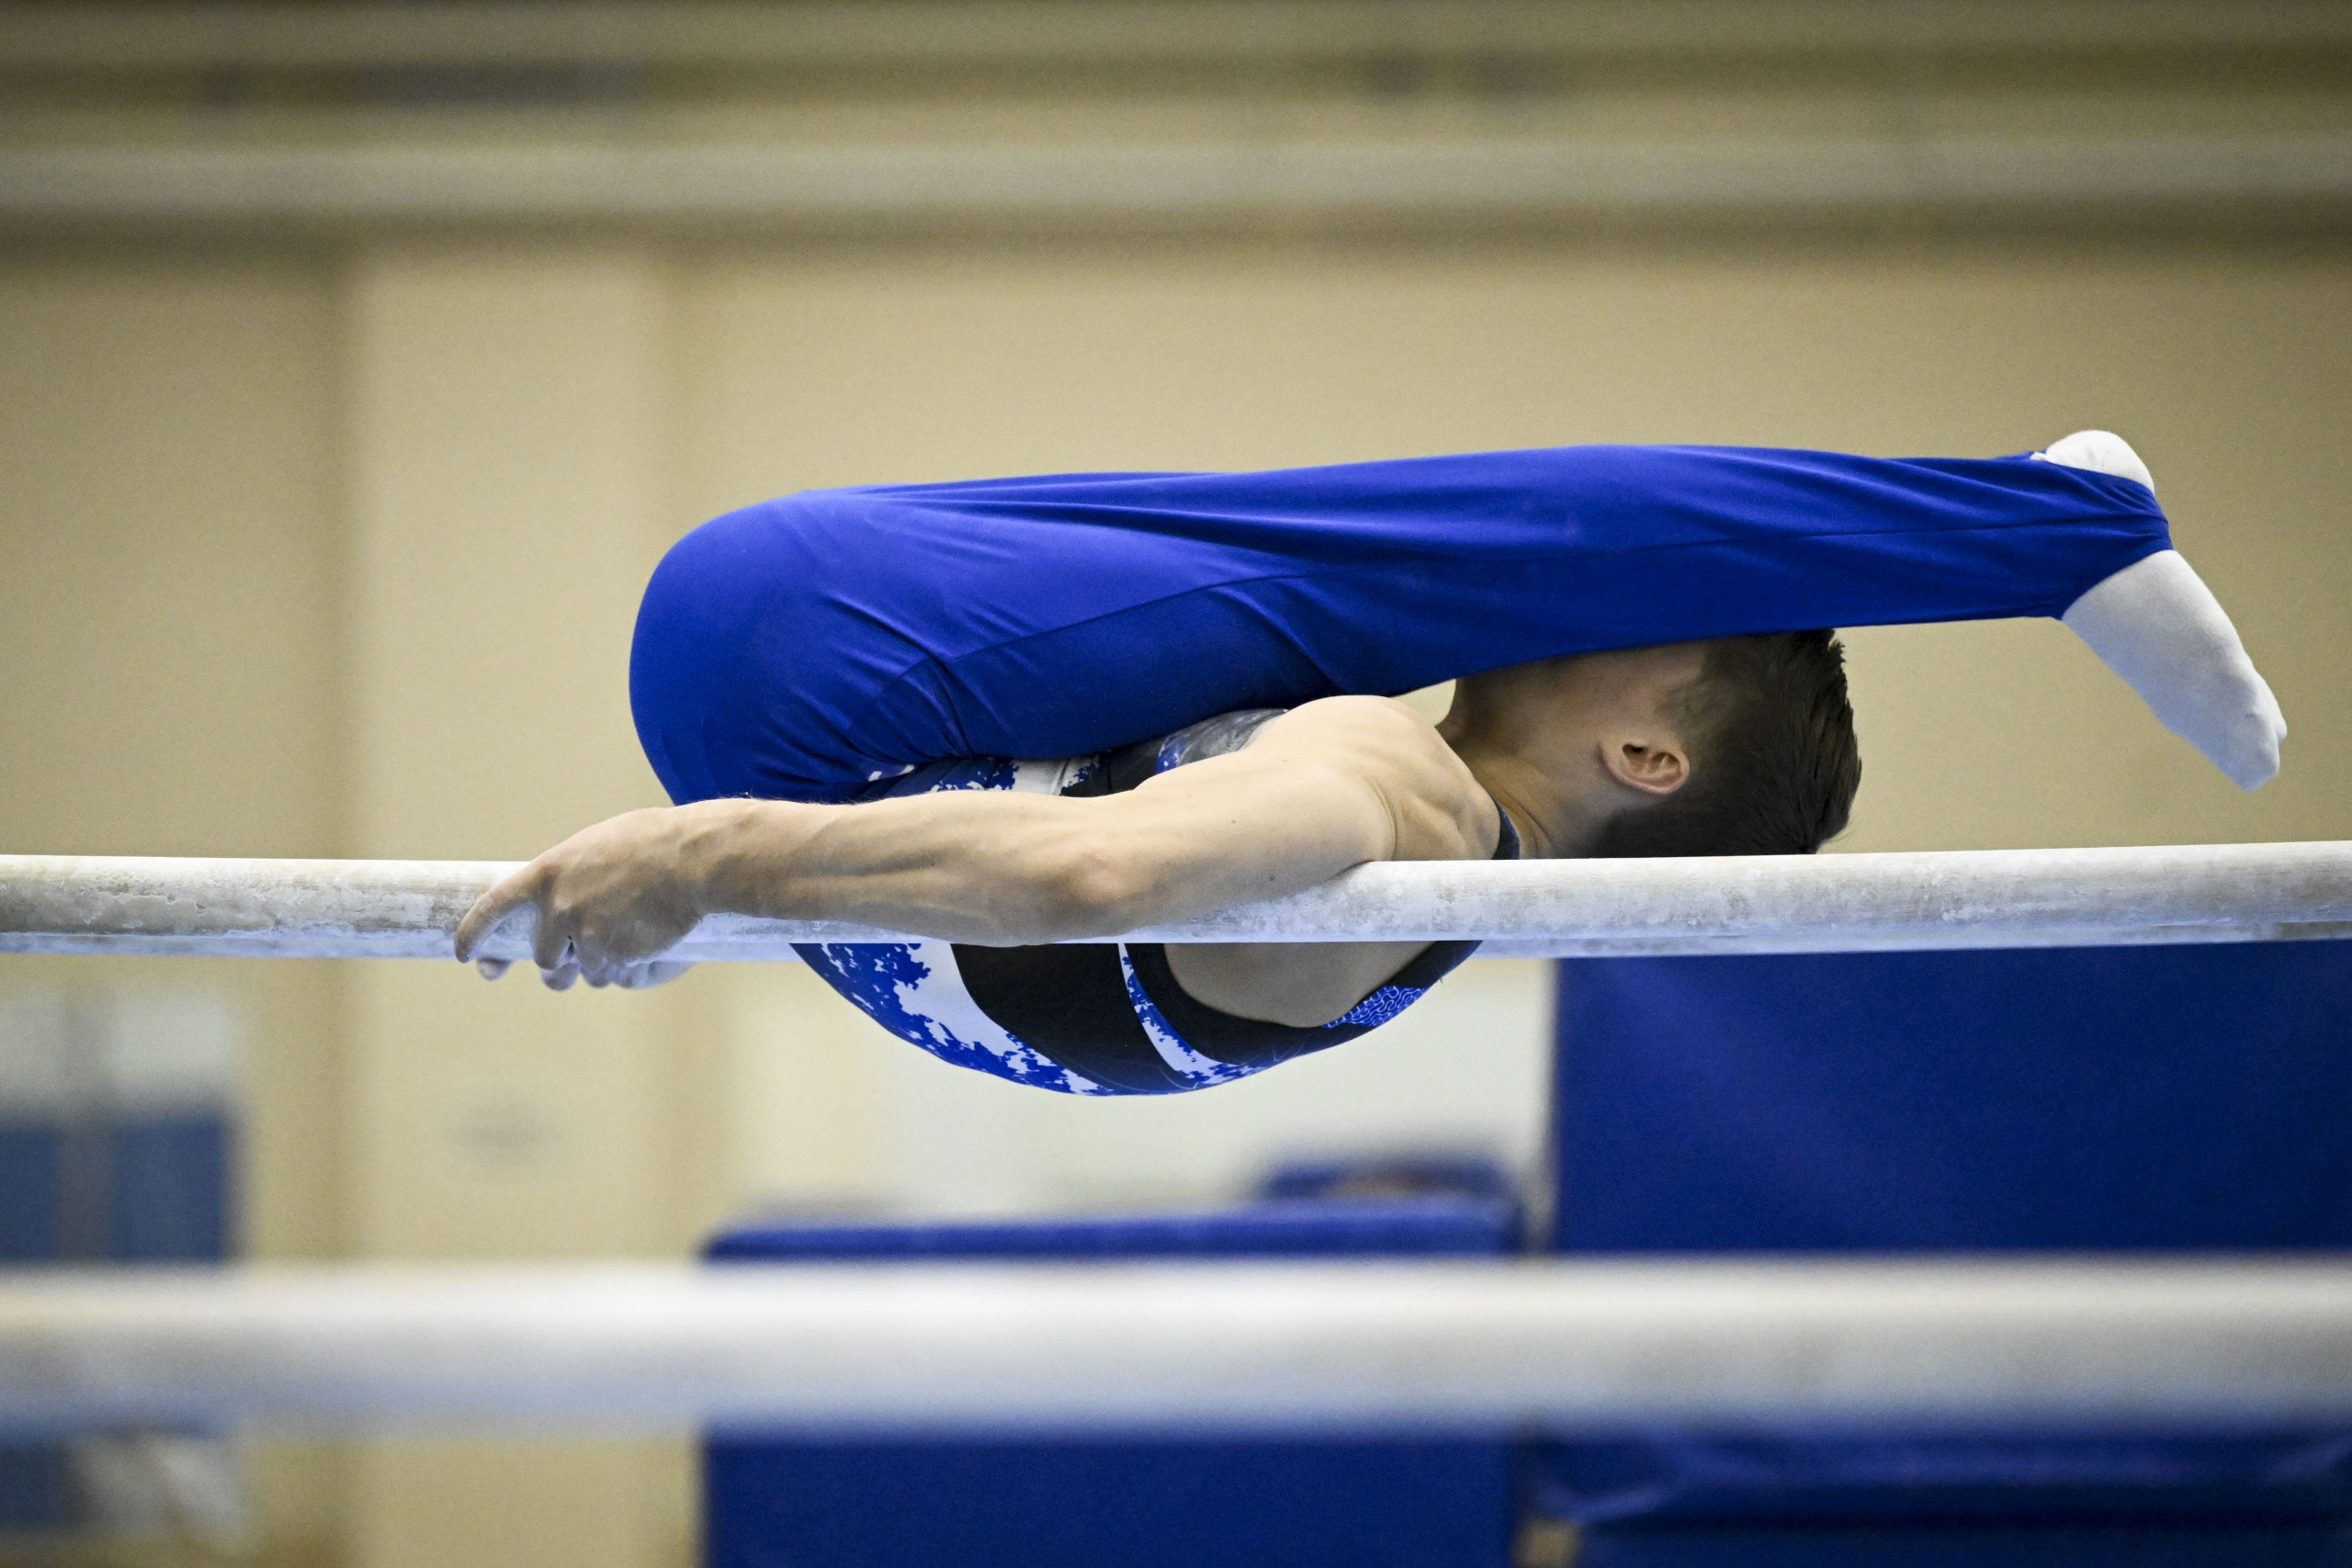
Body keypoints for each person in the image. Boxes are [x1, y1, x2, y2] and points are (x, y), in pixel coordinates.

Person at [455, 431, 2284, 1096]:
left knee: (1412, 557)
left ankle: (2054, 530)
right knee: (1365, 583)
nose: (1610, 603)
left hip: (805, 684)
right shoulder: (1425, 883)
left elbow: (1091, 875)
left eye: (1656, 618)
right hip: (837, 748)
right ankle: (2045, 533)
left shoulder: (1402, 788)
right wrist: (753, 882)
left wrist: (703, 864)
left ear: (1644, 753)